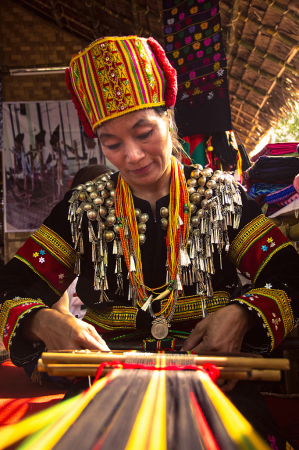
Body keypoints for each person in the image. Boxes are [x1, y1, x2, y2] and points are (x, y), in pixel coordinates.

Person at [0, 36, 298, 448]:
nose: (133, 156)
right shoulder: (83, 208)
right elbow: (11, 288)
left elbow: (290, 276)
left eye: (144, 133)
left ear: (169, 121)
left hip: (216, 386)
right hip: (104, 387)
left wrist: (244, 314)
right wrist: (42, 320)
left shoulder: (222, 199)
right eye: (112, 143)